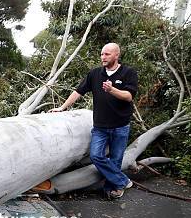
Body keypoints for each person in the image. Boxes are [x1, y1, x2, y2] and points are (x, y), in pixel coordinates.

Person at [50, 42, 138, 199]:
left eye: (107, 54)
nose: (103, 57)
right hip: (100, 126)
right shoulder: (95, 74)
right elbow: (78, 92)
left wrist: (112, 90)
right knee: (96, 156)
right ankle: (122, 180)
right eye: (102, 54)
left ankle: (113, 189)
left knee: (116, 160)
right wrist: (62, 107)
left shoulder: (128, 73)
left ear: (116, 55)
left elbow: (129, 96)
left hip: (120, 126)